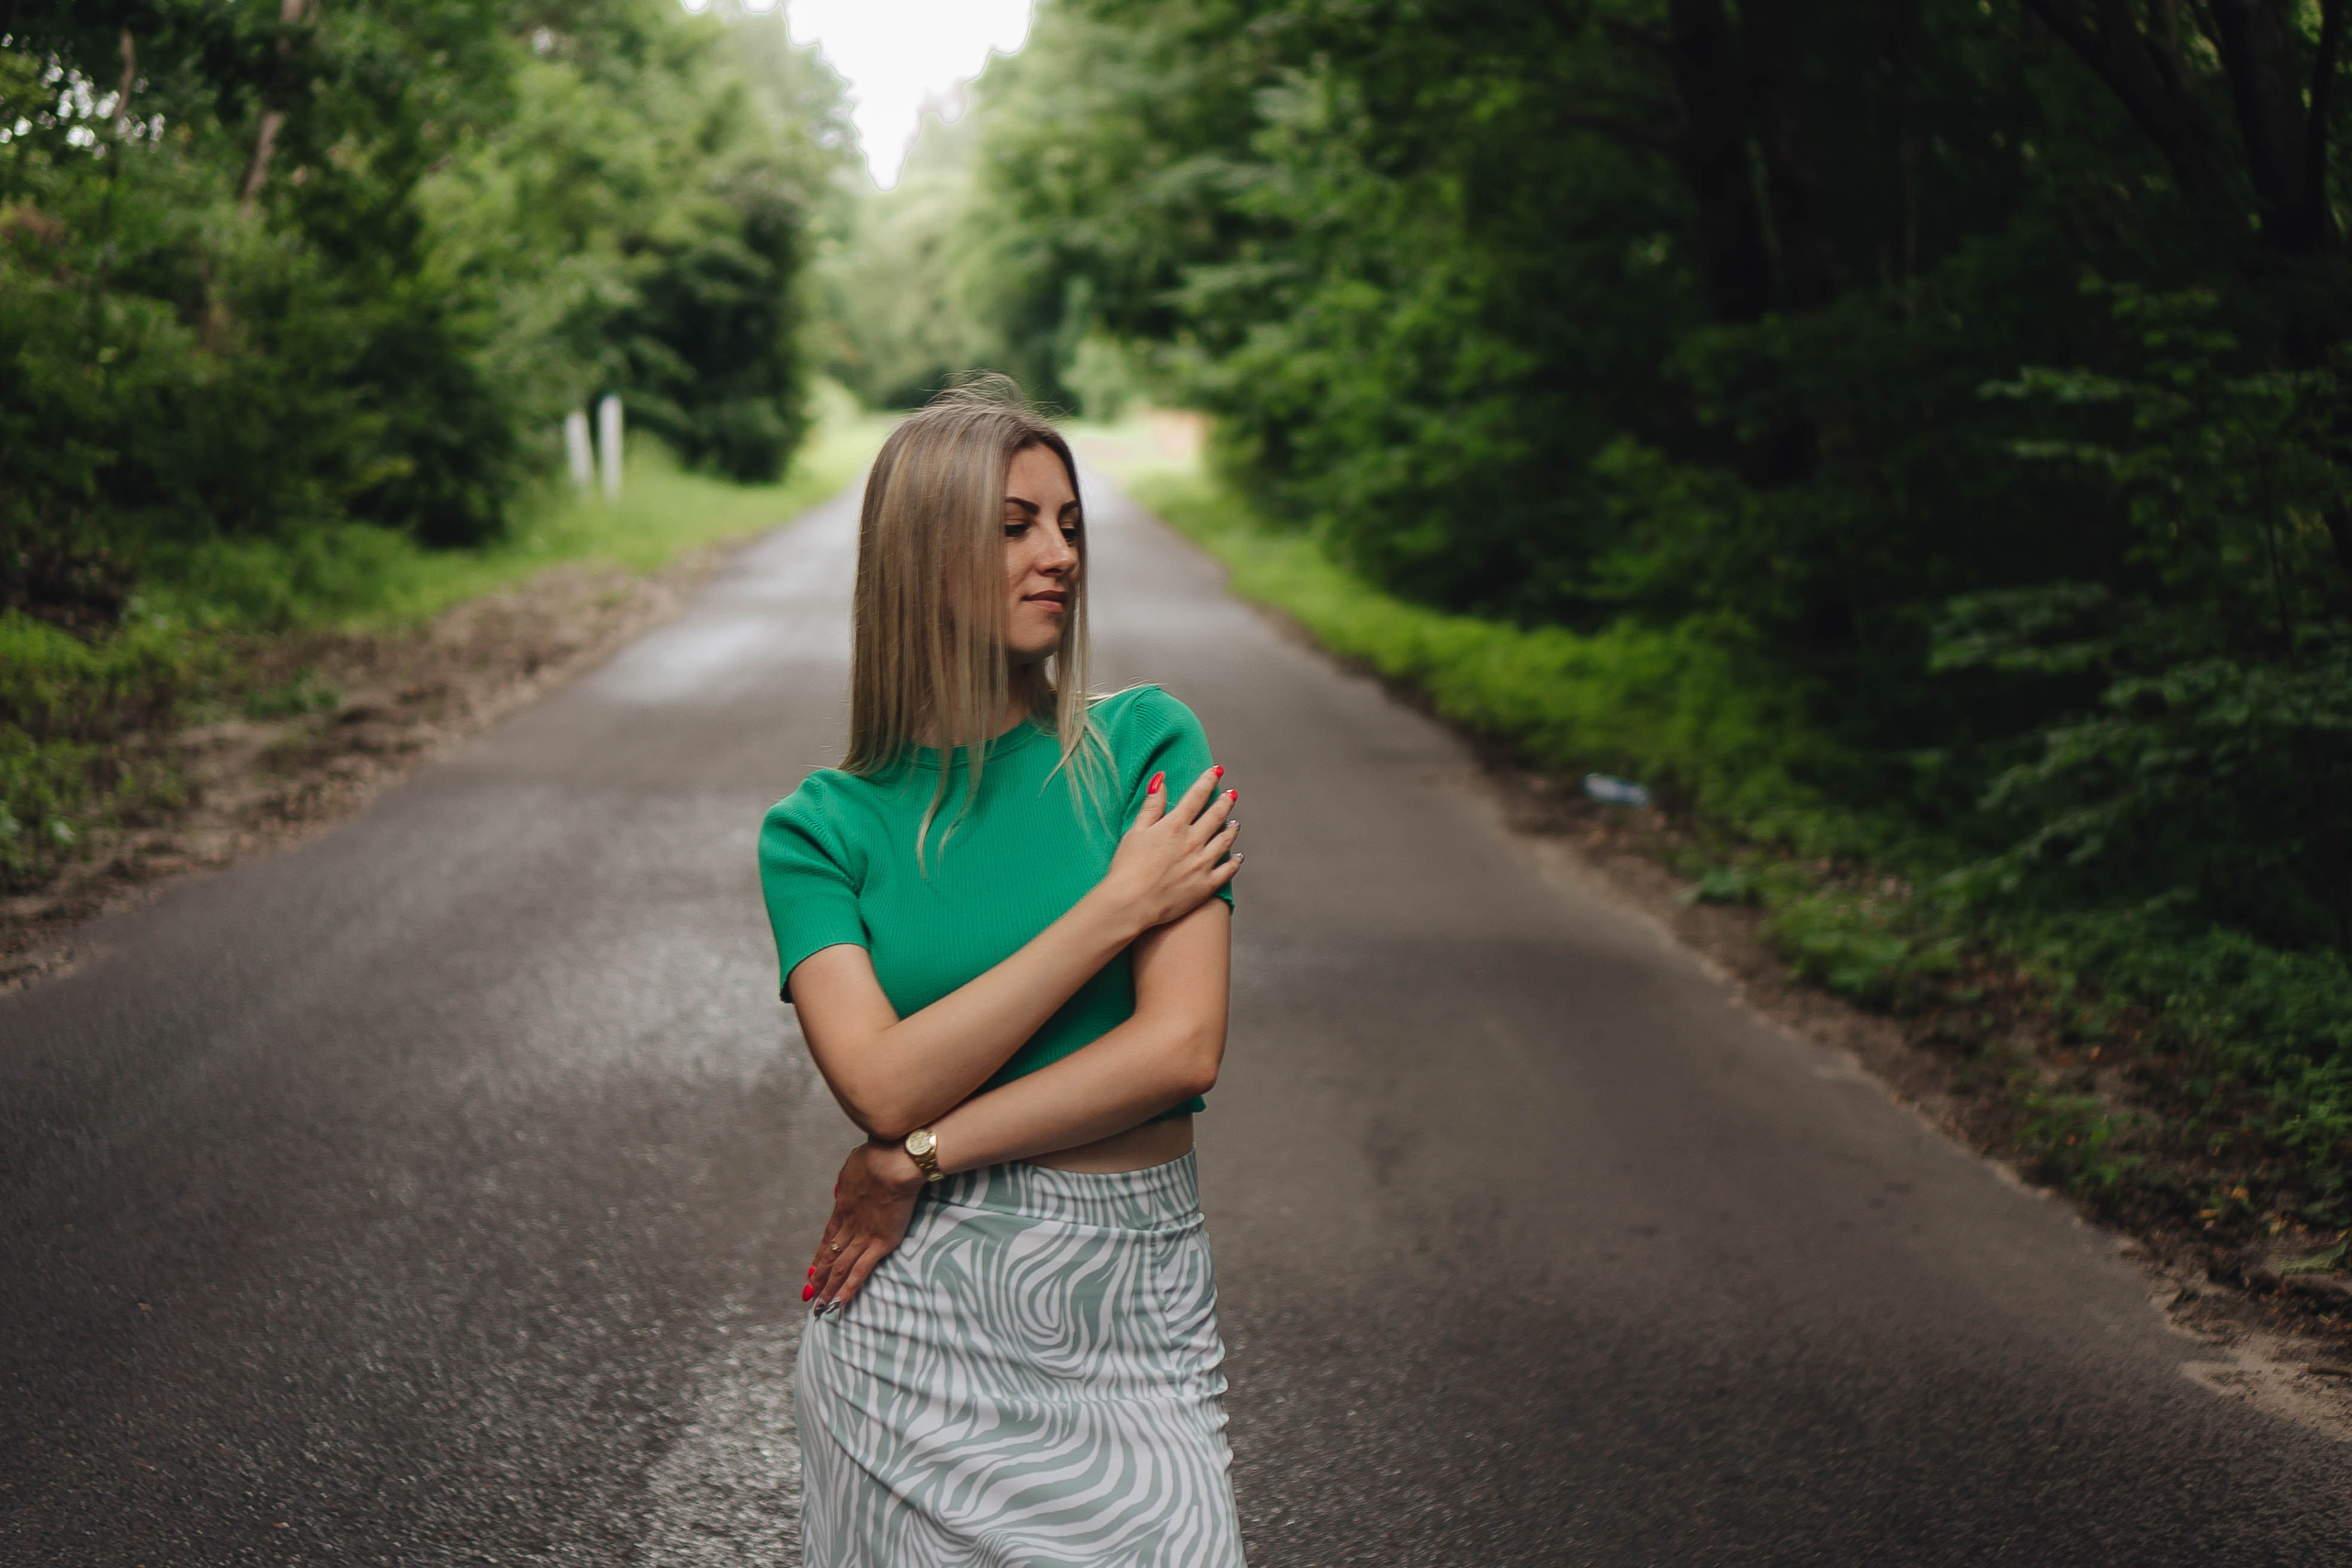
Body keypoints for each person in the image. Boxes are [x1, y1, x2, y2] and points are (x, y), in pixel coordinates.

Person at [756, 379, 1249, 1566]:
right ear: (924, 557)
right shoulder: (821, 830)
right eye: (1016, 525)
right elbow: (878, 1083)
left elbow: (1179, 1050)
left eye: (1070, 524)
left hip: (1129, 1312)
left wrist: (923, 1156)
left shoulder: (1146, 746)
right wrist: (1116, 908)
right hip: (907, 1342)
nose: (1059, 555)